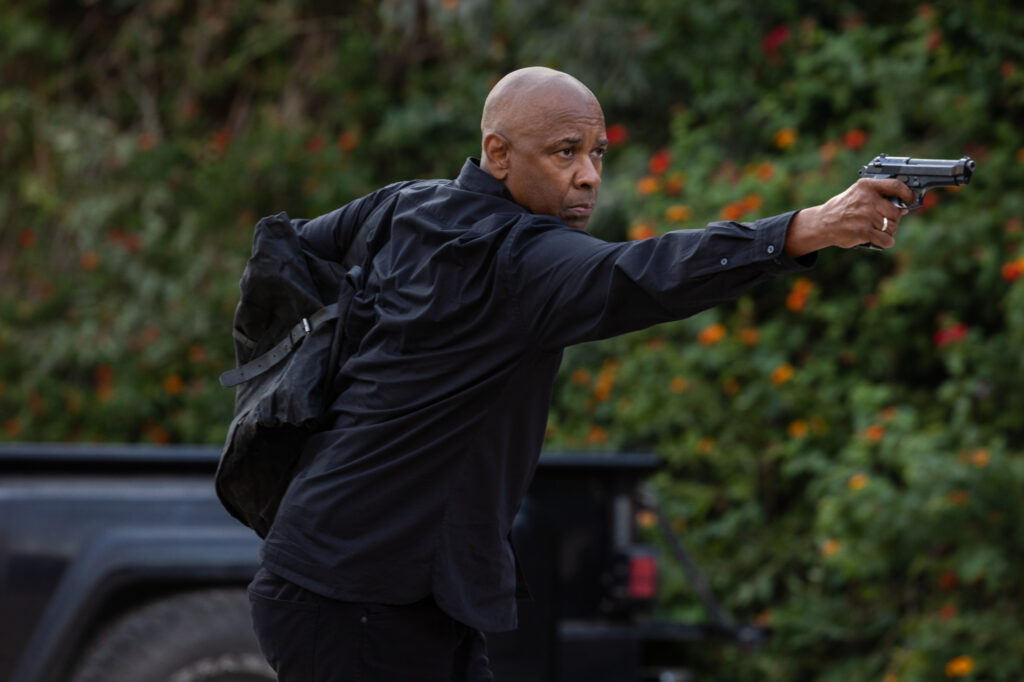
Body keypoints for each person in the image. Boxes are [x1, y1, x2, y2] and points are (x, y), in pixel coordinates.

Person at [247, 66, 914, 681]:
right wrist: (808, 227)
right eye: (565, 152)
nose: (590, 176)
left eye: (597, 154)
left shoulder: (406, 206)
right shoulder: (523, 260)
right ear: (499, 153)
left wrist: (341, 354)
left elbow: (290, 250)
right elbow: (647, 274)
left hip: (396, 591)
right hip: (351, 599)